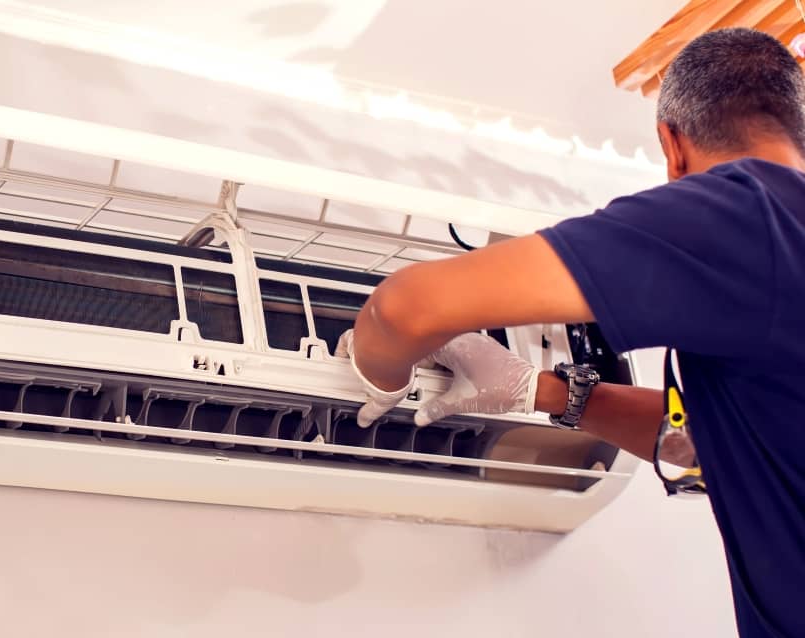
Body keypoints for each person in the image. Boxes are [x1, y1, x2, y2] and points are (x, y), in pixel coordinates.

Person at [337, 28, 805, 638]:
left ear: (672, 144)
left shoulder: (748, 216)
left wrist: (378, 381)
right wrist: (543, 391)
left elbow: (404, 309)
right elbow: (714, 455)